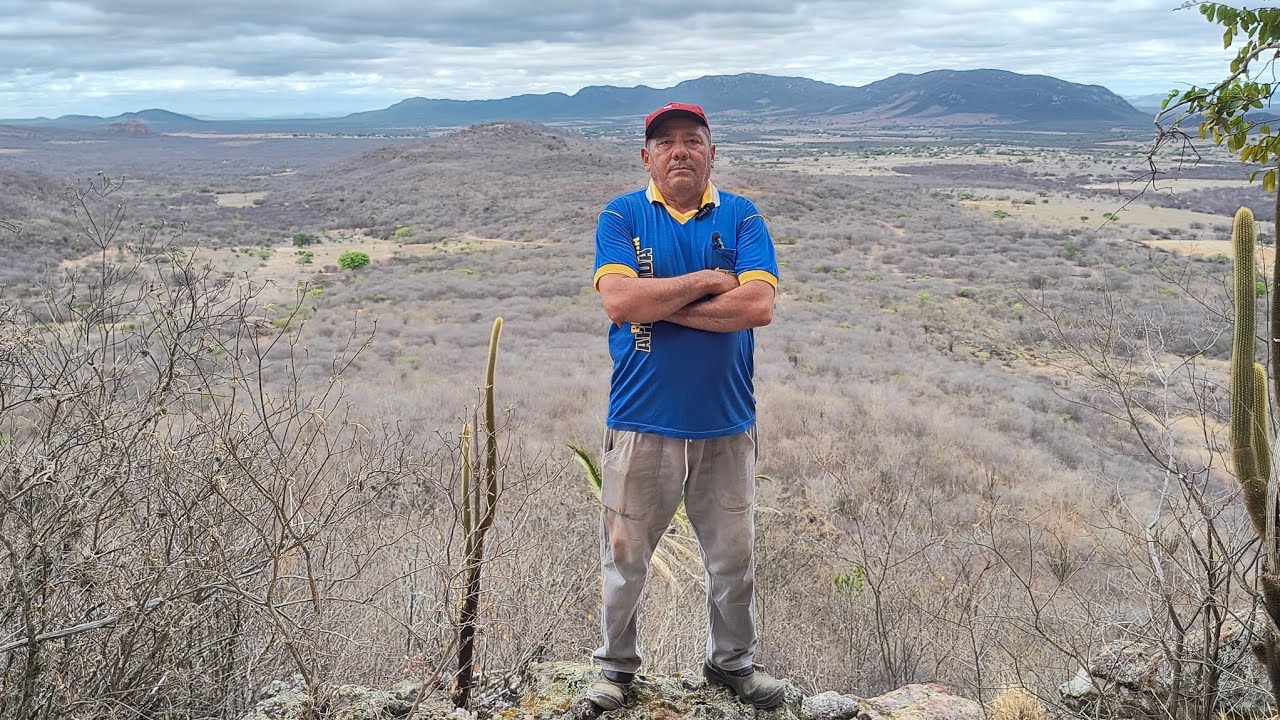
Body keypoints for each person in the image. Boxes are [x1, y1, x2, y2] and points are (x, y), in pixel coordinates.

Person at [586, 101, 783, 711]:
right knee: (625, 559)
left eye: (692, 140)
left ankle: (732, 665)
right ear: (647, 156)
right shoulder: (622, 215)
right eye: (665, 142)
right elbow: (619, 301)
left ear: (710, 153)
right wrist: (707, 281)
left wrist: (658, 303)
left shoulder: (742, 216)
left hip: (727, 421)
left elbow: (756, 308)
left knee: (733, 559)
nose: (679, 151)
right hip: (641, 420)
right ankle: (616, 669)